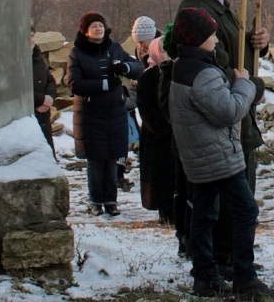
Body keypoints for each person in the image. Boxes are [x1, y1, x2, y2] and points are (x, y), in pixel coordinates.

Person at [168, 6, 274, 299]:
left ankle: (204, 276)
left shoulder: (182, 67)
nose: (216, 40)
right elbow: (230, 112)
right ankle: (245, 279)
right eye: (212, 34)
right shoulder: (202, 74)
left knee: (203, 213)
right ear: (199, 38)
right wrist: (245, 84)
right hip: (217, 158)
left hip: (197, 157)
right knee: (246, 210)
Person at [164, 0, 269, 192]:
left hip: (232, 131)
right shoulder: (198, 11)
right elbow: (217, 73)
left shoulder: (216, 5)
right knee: (231, 220)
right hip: (221, 138)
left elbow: (228, 53)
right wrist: (256, 87)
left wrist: (254, 44)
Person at [67, 12, 143, 217]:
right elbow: (73, 83)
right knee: (95, 159)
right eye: (94, 26)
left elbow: (138, 66)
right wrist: (103, 84)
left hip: (115, 112)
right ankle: (95, 201)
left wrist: (126, 67)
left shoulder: (115, 48)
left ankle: (111, 200)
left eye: (101, 25)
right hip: (90, 114)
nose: (98, 29)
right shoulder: (77, 53)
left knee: (112, 156)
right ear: (85, 31)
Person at [136, 33, 176, 224]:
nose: (166, 54)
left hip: (176, 135)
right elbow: (146, 109)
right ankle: (164, 212)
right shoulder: (147, 78)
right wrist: (165, 128)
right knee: (159, 177)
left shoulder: (177, 73)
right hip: (156, 137)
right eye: (162, 50)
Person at [31, 27, 56, 151]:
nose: (30, 40)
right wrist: (41, 99)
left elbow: (50, 80)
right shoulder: (14, 60)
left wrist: (49, 98)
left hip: (43, 115)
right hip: (30, 116)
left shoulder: (37, 56)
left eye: (31, 36)